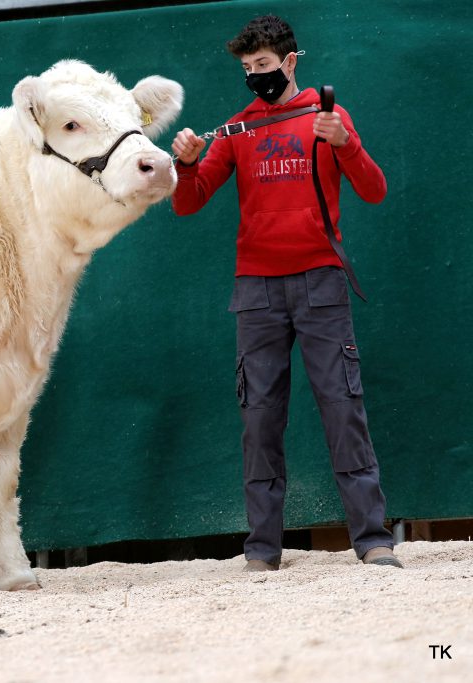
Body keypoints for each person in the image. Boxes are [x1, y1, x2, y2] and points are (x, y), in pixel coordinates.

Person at [170, 14, 402, 571]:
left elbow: (374, 190)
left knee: (342, 409)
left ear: (290, 62)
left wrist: (344, 143)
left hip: (321, 281)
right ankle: (263, 550)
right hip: (256, 290)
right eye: (248, 69)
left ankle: (371, 540)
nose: (256, 76)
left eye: (264, 66)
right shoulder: (236, 130)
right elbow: (189, 201)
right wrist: (184, 164)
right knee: (260, 418)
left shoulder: (327, 118)